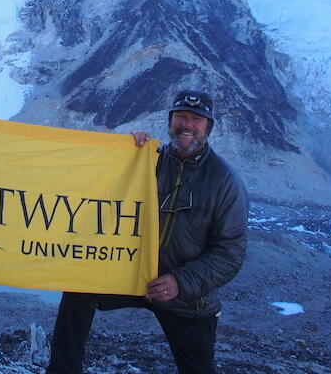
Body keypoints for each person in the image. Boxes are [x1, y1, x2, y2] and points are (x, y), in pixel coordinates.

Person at [45, 90, 249, 374]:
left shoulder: (225, 180)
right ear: (170, 121)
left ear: (208, 127)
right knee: (79, 289)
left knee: (199, 368)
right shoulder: (148, 159)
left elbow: (231, 252)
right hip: (132, 274)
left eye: (196, 119)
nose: (187, 124)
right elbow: (101, 187)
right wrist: (126, 151)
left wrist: (180, 282)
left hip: (185, 295)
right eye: (180, 116)